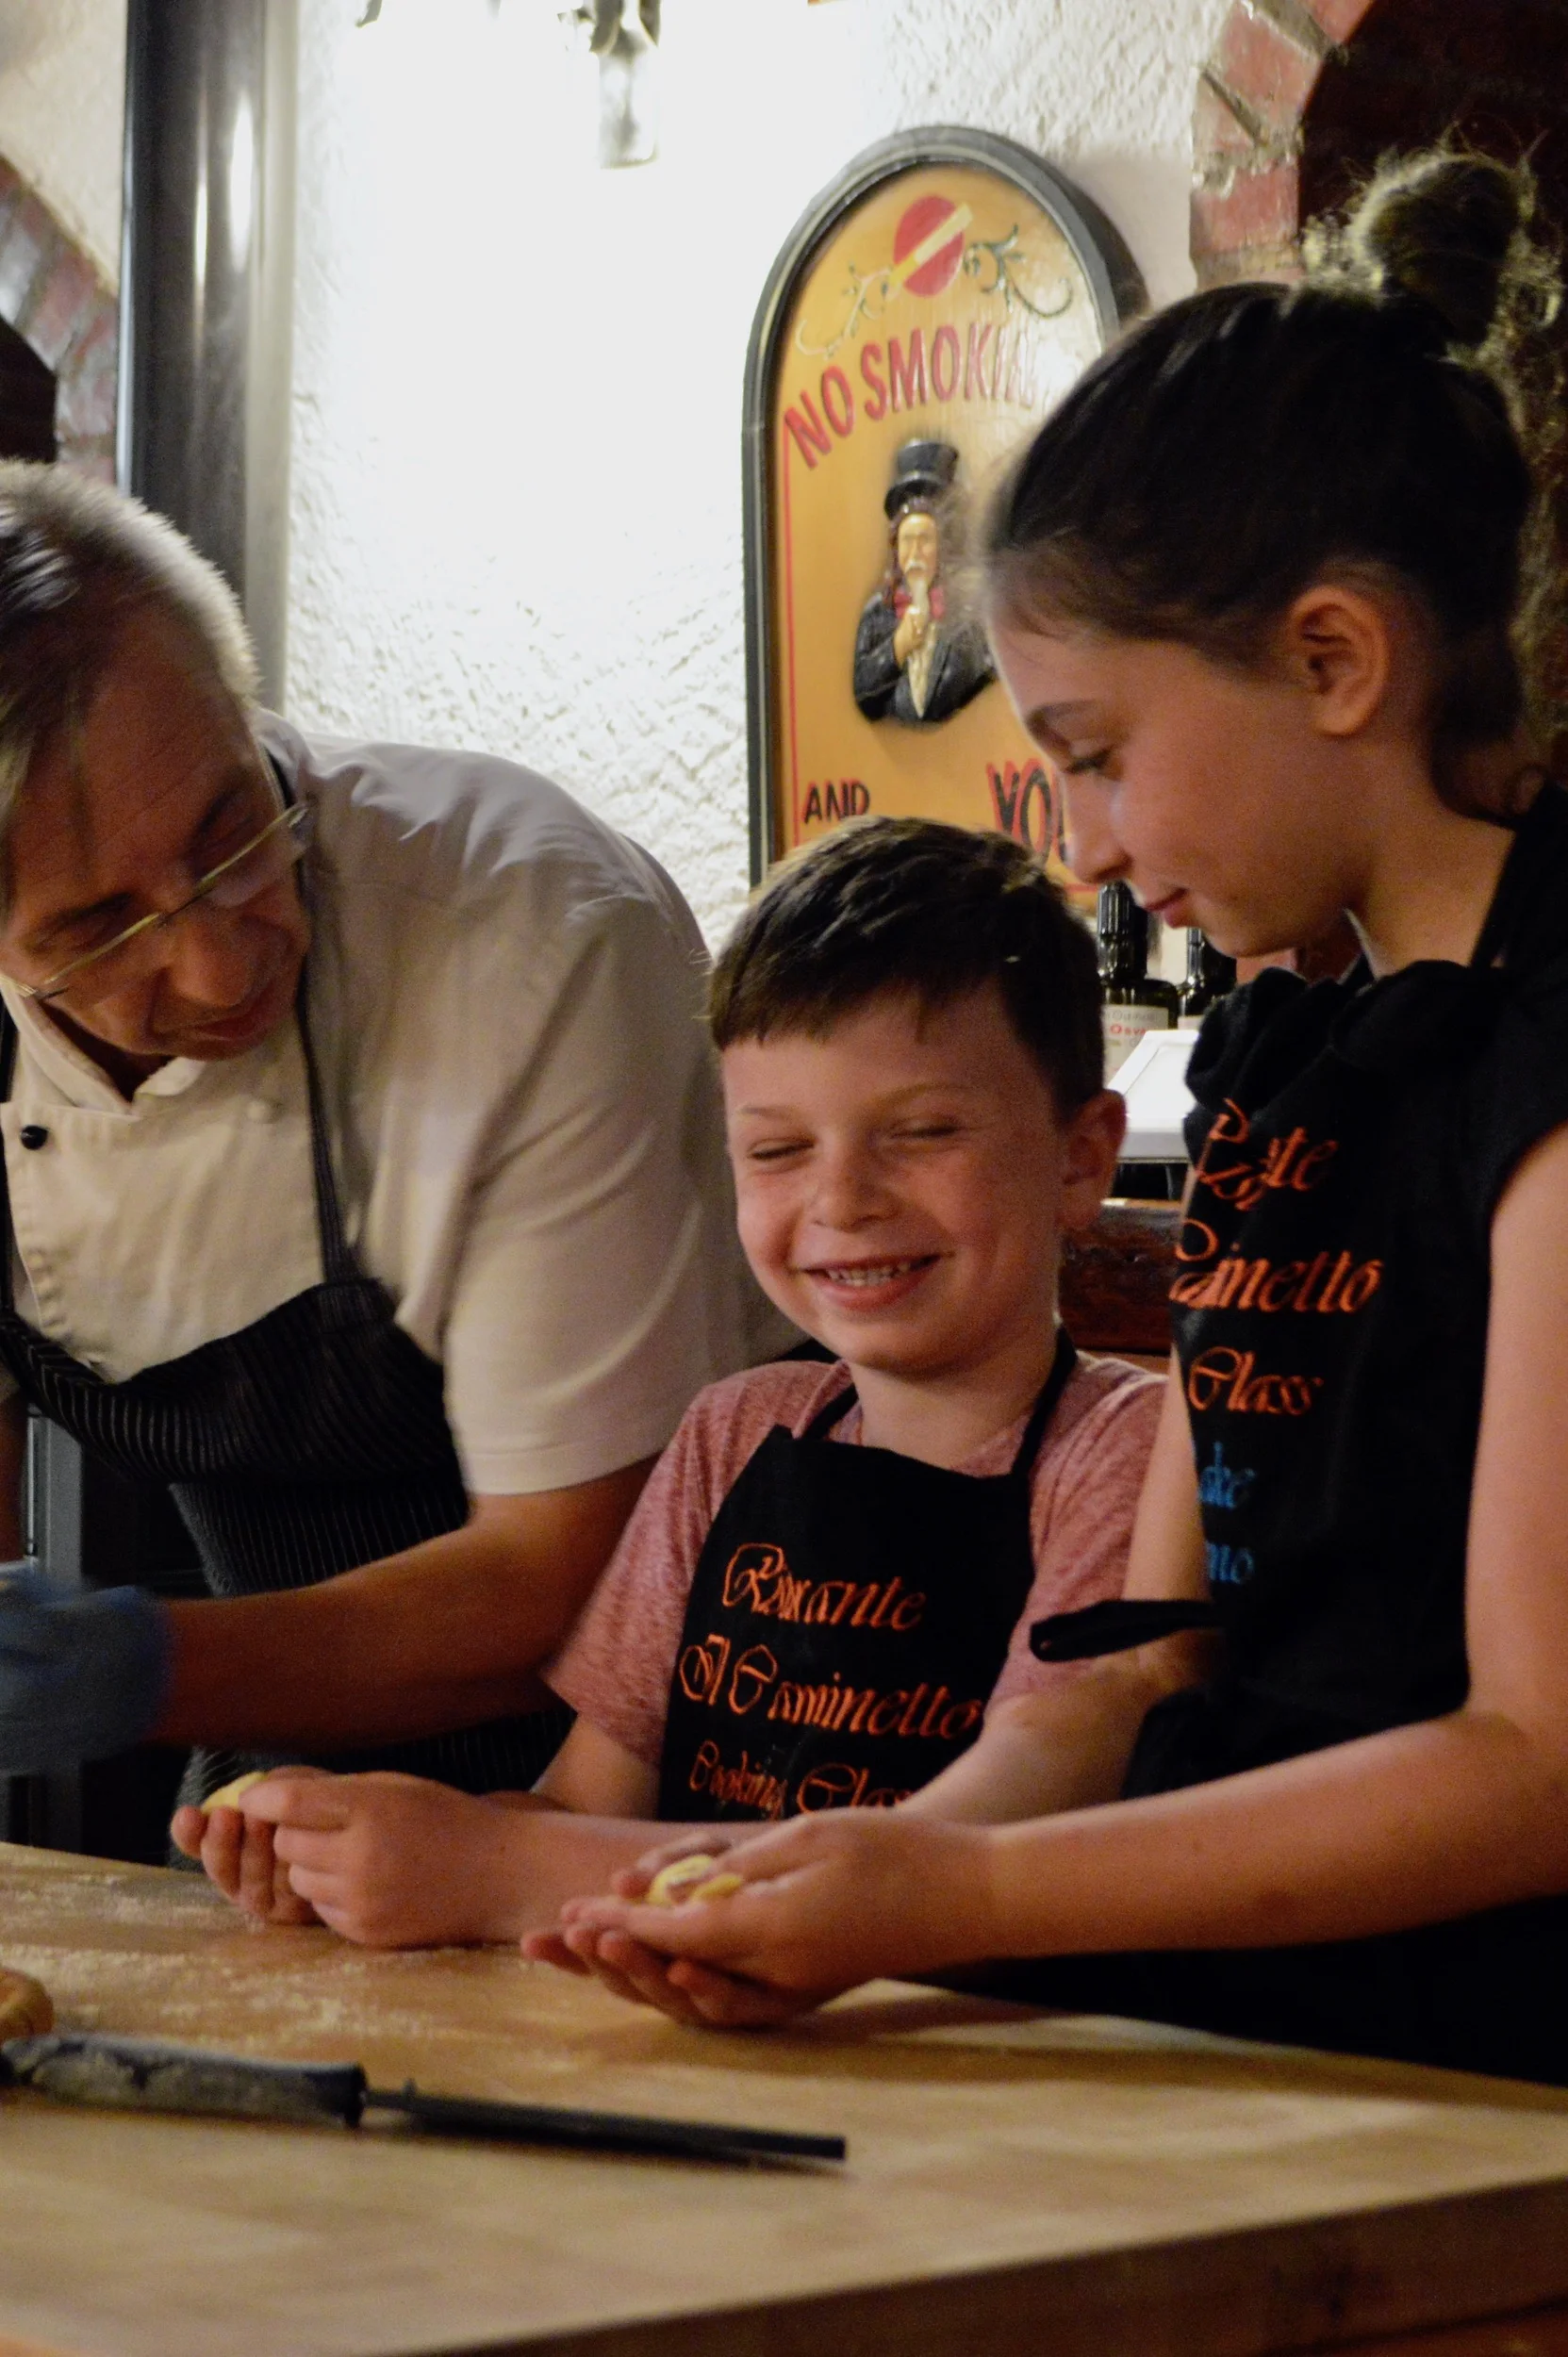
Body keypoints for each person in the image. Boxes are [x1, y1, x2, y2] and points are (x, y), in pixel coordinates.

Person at [529, 153, 1568, 2088]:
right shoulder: (1280, 1039)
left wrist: (960, 1906)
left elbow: (1534, 1767)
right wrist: (870, 1855)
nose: (1082, 840)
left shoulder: (1542, 1056)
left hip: (1469, 2070)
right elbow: (1139, 1669)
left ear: (1334, 660)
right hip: (1229, 2026)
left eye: (1097, 755)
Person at [191, 819, 1162, 1943]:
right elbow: (578, 1808)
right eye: (777, 1150)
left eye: (923, 1131)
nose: (842, 1201)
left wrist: (503, 1866)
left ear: (1081, 1157)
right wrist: (360, 1858)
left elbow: (976, 1857)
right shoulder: (732, 1434)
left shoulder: (1126, 1455)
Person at [0, 463, 782, 1818]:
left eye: (234, 829)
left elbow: (569, 1582)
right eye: (100, 933)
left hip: (660, 1776)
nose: (212, 958)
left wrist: (130, 1666)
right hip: (285, 1790)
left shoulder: (528, 934)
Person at [852, 441, 993, 728]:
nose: (915, 553)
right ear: (896, 549)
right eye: (907, 541)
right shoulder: (879, 613)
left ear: (942, 547)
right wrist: (897, 648)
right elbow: (865, 698)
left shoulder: (970, 616)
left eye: (924, 540)